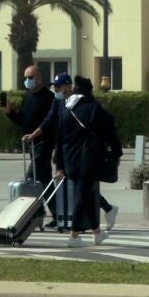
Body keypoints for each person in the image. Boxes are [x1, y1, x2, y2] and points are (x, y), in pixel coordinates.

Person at [31, 72, 119, 230]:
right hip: (68, 150)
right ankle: (99, 221)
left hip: (83, 152)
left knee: (82, 189)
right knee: (82, 189)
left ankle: (77, 231)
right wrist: (36, 135)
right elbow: (51, 120)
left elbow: (99, 126)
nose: (56, 90)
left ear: (68, 86)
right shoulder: (59, 102)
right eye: (55, 87)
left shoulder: (83, 103)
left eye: (58, 86)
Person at [53, 75, 121, 248]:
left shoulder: (66, 109)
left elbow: (59, 139)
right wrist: (116, 152)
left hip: (69, 159)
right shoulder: (93, 108)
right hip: (88, 159)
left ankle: (97, 233)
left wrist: (59, 165)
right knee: (82, 195)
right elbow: (110, 129)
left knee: (88, 194)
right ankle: (74, 236)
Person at [4, 66, 55, 186]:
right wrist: (9, 112)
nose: (28, 80)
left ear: (39, 77)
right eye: (26, 78)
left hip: (44, 143)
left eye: (30, 77)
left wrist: (55, 146)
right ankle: (51, 198)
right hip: (31, 143)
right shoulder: (27, 96)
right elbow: (22, 121)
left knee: (31, 177)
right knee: (44, 178)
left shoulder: (49, 97)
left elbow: (51, 121)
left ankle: (26, 197)